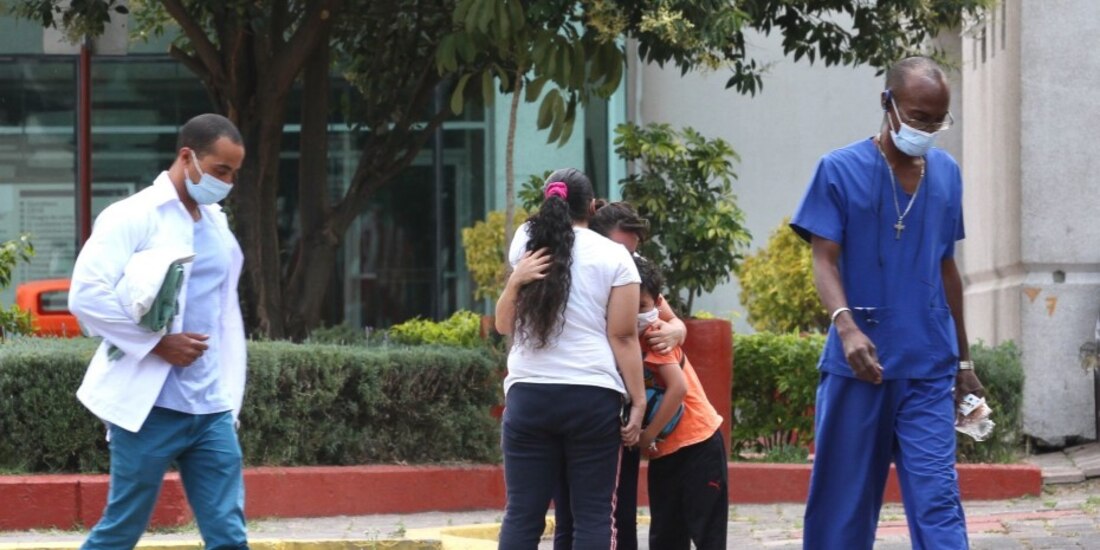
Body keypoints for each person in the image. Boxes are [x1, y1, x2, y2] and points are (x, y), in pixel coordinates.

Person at [790, 56, 985, 550]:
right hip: (860, 365)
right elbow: (824, 260)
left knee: (938, 498)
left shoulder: (947, 174)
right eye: (918, 116)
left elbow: (946, 267)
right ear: (888, 103)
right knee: (842, 507)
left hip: (927, 365)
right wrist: (847, 327)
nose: (927, 128)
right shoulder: (837, 170)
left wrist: (963, 360)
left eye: (937, 119)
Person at [69, 113, 249, 549]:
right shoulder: (133, 215)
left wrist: (229, 397)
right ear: (187, 157)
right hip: (149, 409)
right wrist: (155, 344)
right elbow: (86, 295)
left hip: (209, 407)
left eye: (233, 173)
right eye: (220, 170)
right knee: (122, 529)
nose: (227, 182)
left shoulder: (215, 222)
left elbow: (224, 313)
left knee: (228, 533)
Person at [494, 168, 647, 550]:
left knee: (522, 514)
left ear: (549, 202)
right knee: (593, 514)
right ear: (593, 208)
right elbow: (623, 336)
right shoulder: (616, 257)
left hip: (528, 395)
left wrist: (515, 281)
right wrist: (639, 401)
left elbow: (502, 325)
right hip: (591, 398)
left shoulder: (526, 245)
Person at [553, 200, 687, 550]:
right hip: (575, 397)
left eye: (633, 252)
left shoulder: (631, 270)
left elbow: (669, 318)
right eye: (621, 249)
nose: (628, 260)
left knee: (618, 512)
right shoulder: (566, 265)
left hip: (618, 405)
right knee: (568, 512)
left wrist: (676, 331)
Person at [633, 254, 727, 550]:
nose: (637, 313)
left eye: (643, 307)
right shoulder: (625, 338)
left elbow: (677, 388)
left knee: (707, 536)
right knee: (666, 536)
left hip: (698, 444)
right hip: (665, 454)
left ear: (658, 302)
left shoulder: (656, 334)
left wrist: (647, 436)